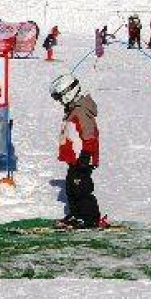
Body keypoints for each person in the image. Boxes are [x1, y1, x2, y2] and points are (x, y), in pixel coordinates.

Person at [49, 74, 102, 229]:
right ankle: (76, 214)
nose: (60, 102)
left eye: (60, 98)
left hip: (83, 158)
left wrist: (85, 156)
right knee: (71, 188)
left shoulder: (81, 111)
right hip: (75, 159)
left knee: (82, 189)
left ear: (68, 93)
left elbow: (89, 135)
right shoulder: (72, 110)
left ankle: (89, 217)